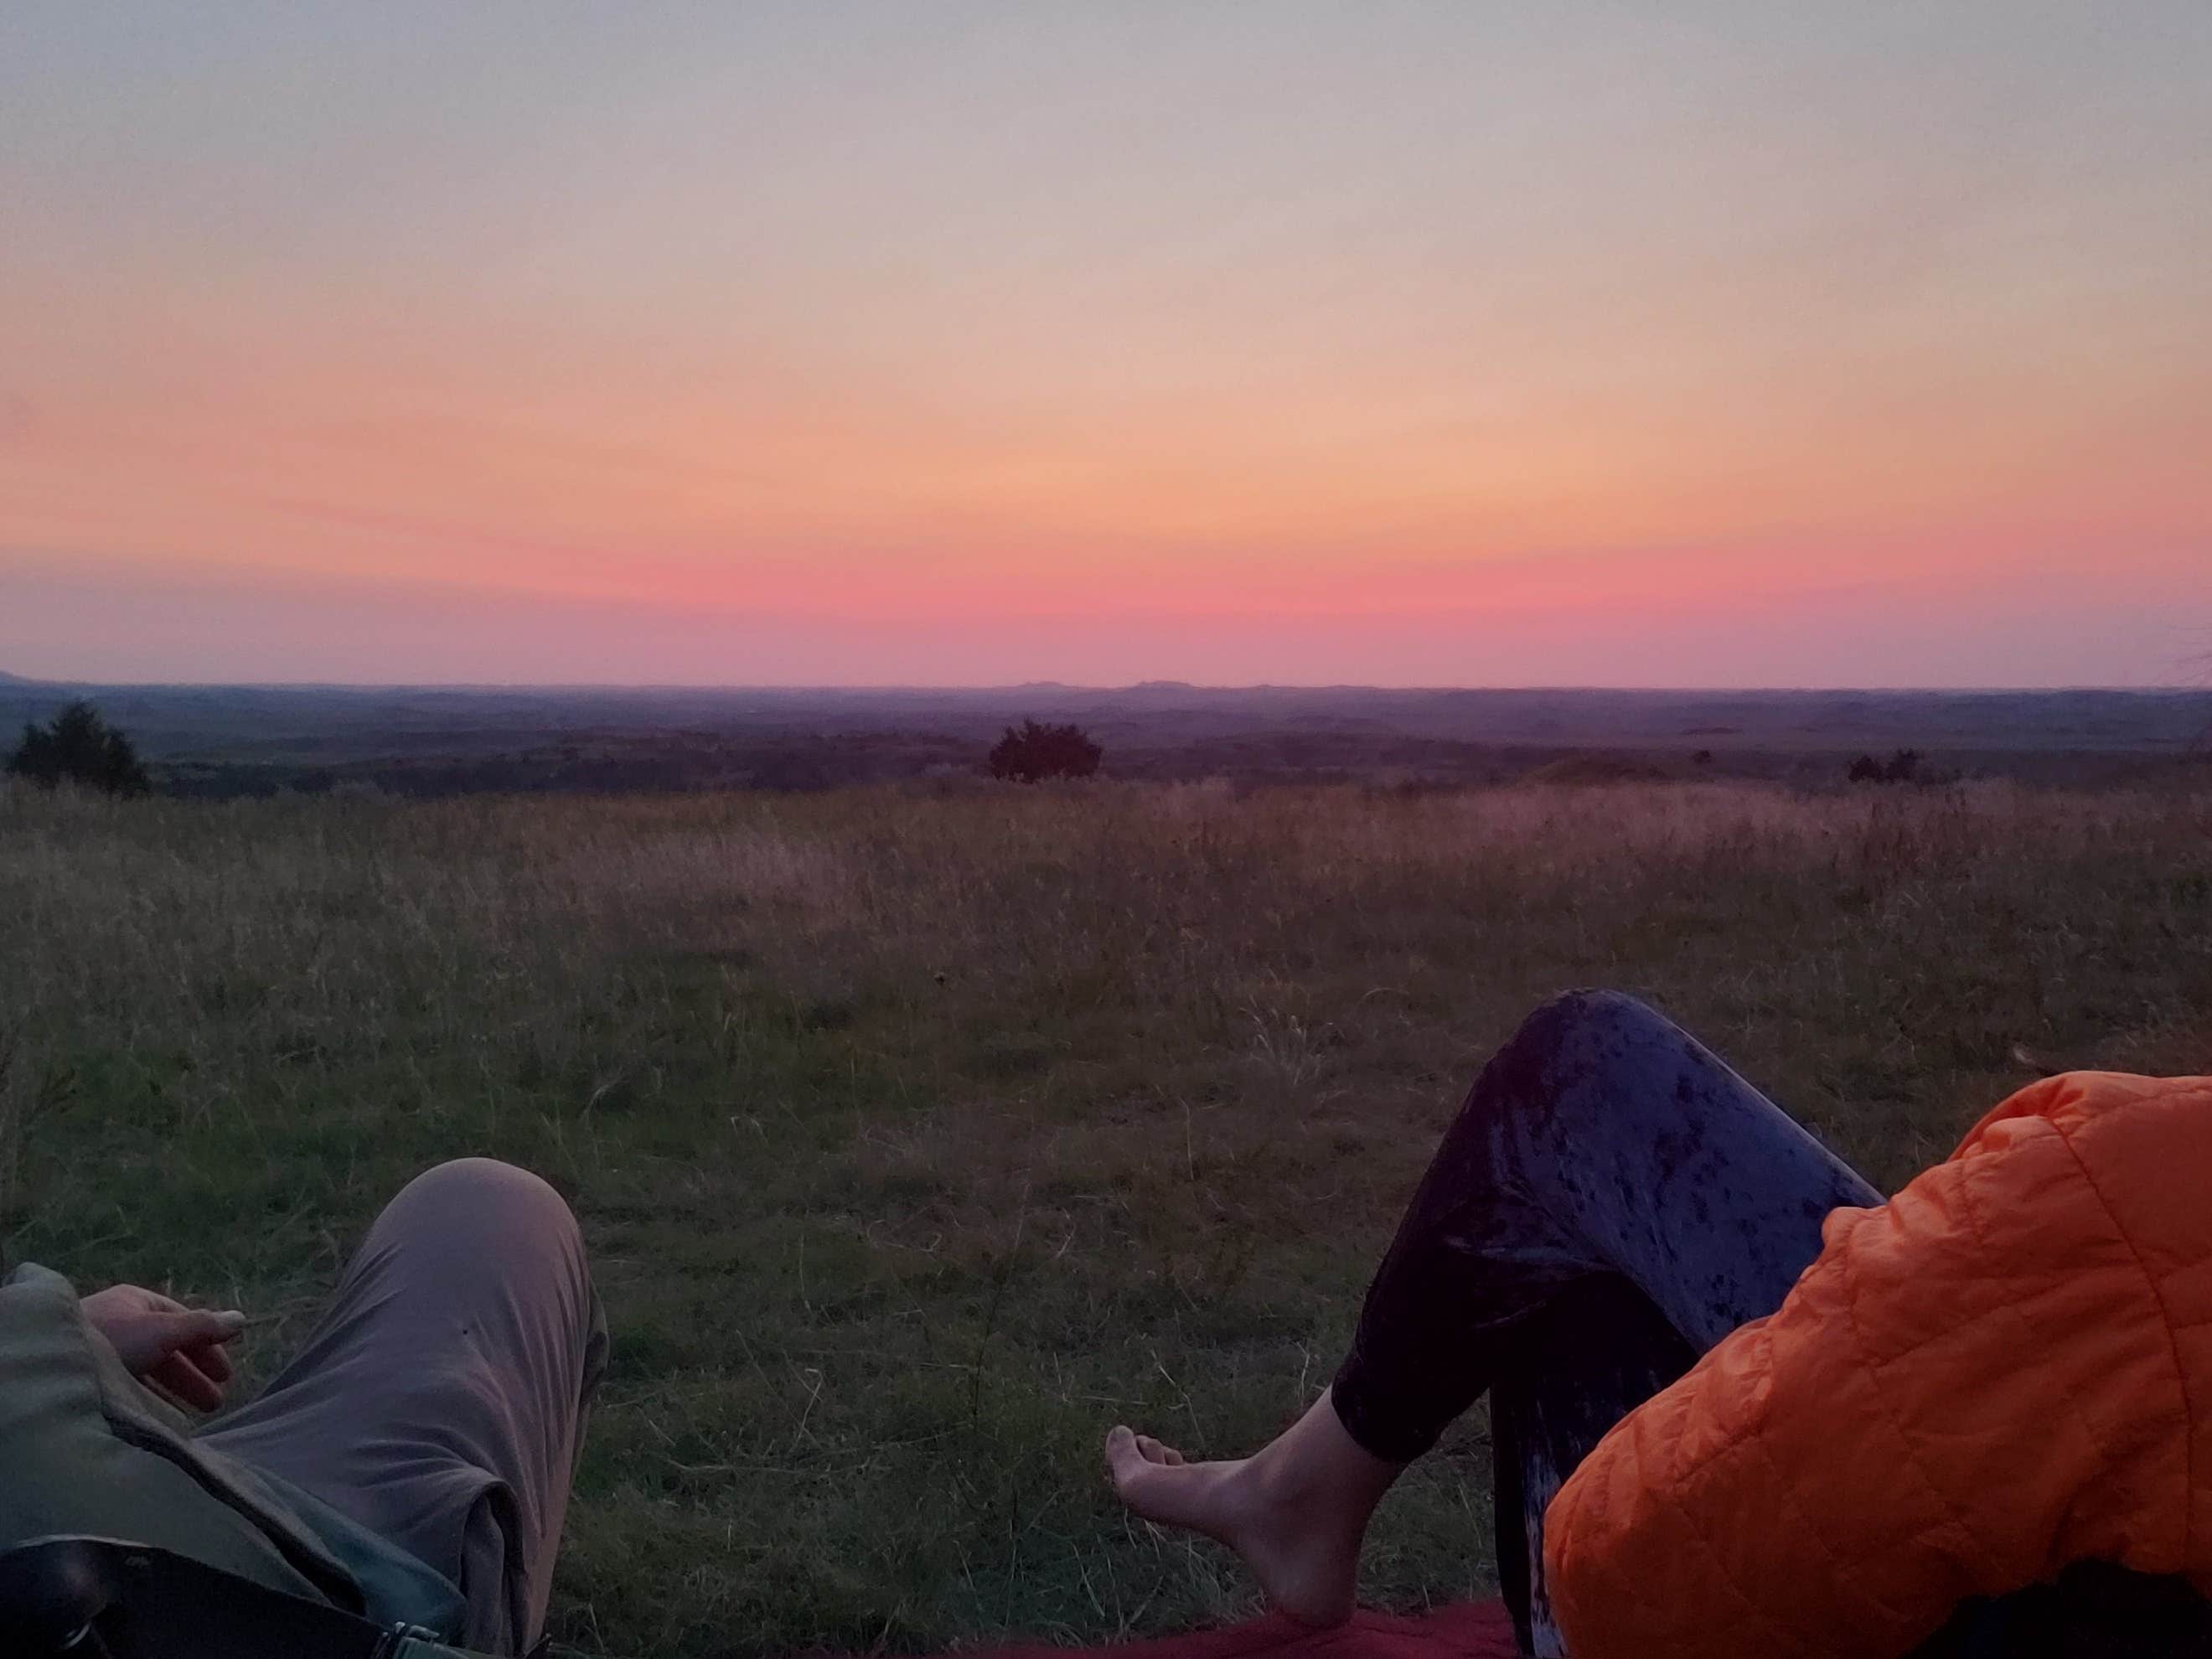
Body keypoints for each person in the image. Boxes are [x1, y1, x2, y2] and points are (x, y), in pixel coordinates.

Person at [1106, 990, 2212, 1658]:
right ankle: (1301, 1490)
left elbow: (1645, 1585)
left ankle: (1300, 1497)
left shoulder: (2131, 1196)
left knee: (1580, 1075)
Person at [0, 1158, 605, 1656]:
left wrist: (61, 1338)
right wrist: (49, 1341)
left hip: (121, 1501)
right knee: (486, 1203)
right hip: (311, 1597)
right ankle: (492, 1618)